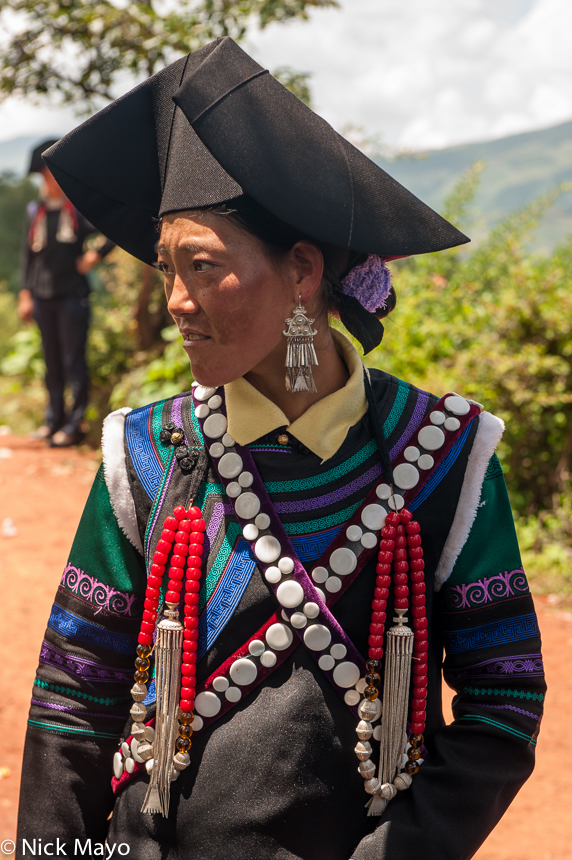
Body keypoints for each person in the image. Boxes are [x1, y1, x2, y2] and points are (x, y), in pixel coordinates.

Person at [16, 39, 545, 860]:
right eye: (165, 269)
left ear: (303, 271)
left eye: (203, 266)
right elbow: (70, 708)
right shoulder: (147, 456)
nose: (177, 303)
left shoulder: (443, 457)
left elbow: (501, 703)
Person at [18, 140, 115, 447]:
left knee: (74, 361)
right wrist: (25, 294)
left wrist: (94, 256)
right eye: (43, 176)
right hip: (43, 296)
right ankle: (53, 421)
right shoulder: (37, 211)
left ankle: (75, 425)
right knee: (52, 362)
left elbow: (112, 229)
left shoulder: (77, 211)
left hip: (73, 296)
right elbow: (26, 256)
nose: (47, 181)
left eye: (50, 174)